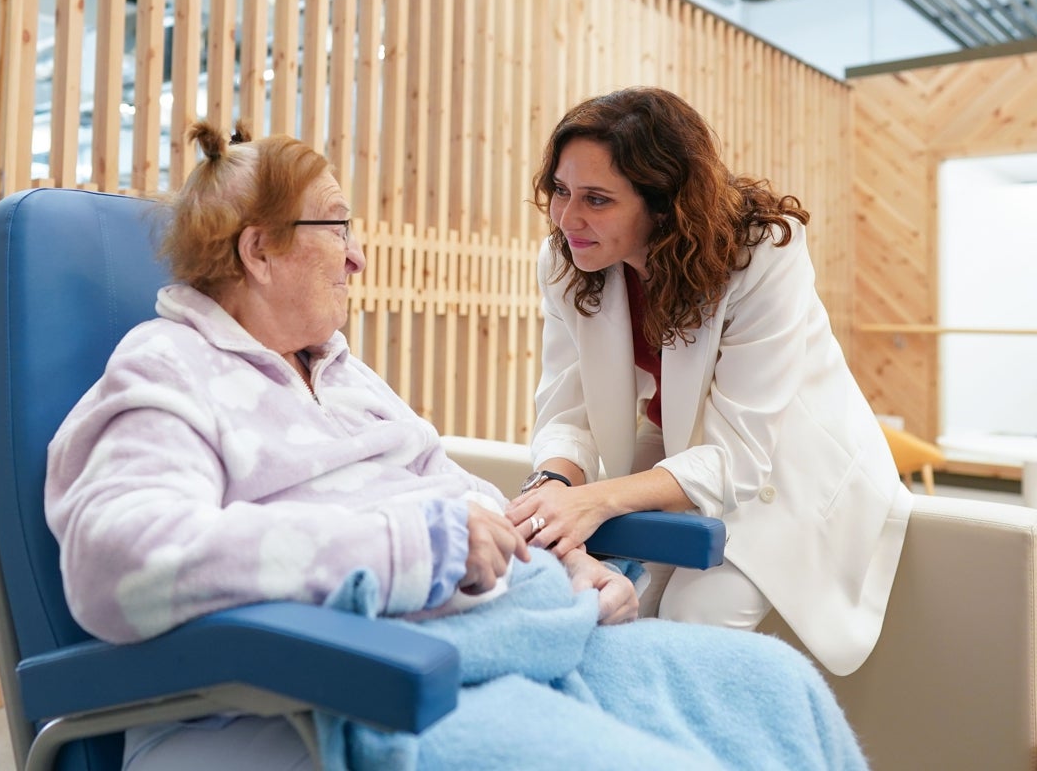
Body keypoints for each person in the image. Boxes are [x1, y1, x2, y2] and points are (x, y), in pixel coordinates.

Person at [45, 120, 868, 770]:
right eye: (336, 227)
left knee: (771, 689)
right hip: (334, 687)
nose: (358, 257)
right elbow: (122, 560)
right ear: (259, 251)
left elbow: (450, 488)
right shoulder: (168, 368)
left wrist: (569, 564)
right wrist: (413, 543)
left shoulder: (341, 374)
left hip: (496, 640)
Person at [506, 86, 914, 678]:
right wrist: (550, 488)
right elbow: (568, 412)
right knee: (615, 608)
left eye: (597, 199)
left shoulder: (762, 255)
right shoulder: (567, 258)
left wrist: (591, 500)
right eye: (561, 192)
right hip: (686, 446)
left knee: (690, 617)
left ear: (663, 204)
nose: (569, 219)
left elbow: (742, 458)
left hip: (786, 468)